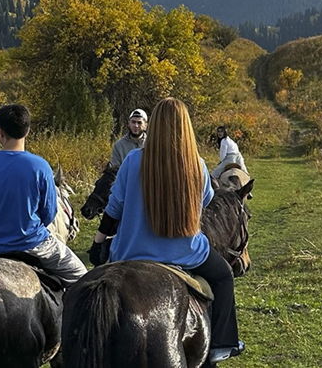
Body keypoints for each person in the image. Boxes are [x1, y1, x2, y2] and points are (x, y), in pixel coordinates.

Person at [89, 97, 244, 363]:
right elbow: (206, 201)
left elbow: (114, 207)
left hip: (131, 253)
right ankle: (220, 344)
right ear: (186, 127)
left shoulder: (132, 160)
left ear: (154, 126)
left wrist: (98, 240)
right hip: (187, 255)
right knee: (224, 275)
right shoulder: (197, 165)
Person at [0, 104, 87, 287]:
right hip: (34, 245)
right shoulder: (41, 166)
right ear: (28, 131)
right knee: (82, 277)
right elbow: (49, 213)